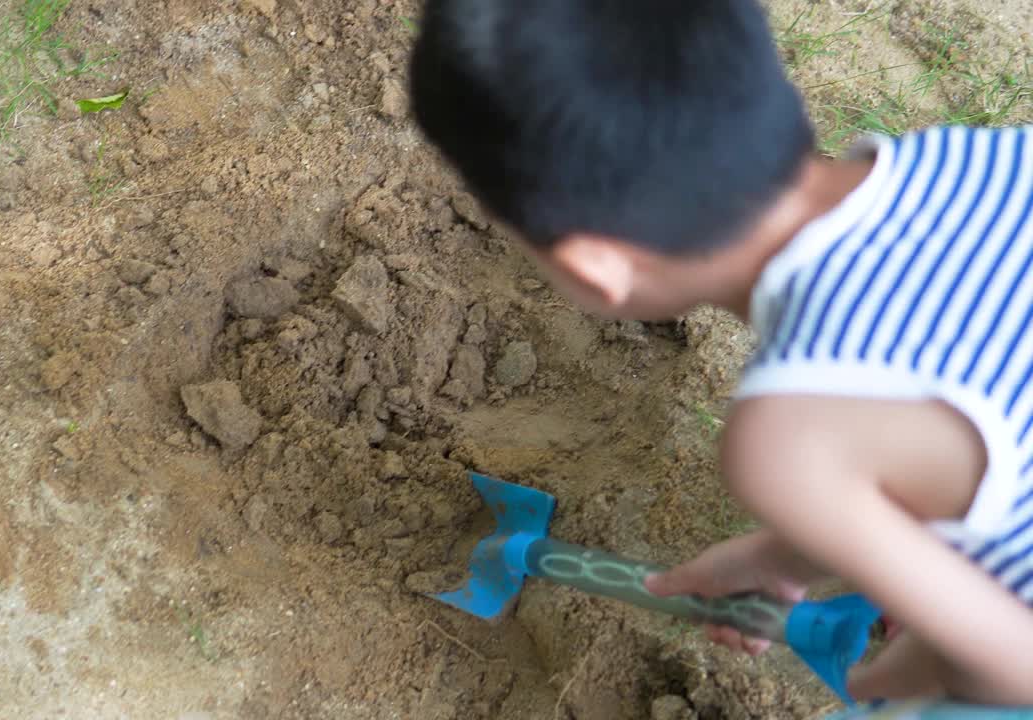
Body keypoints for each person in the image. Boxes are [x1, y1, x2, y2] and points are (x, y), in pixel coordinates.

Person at [407, 0, 1033, 709]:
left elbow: (1019, 667)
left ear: (595, 269)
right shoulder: (973, 156)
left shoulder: (789, 439)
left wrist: (901, 680)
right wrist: (782, 552)